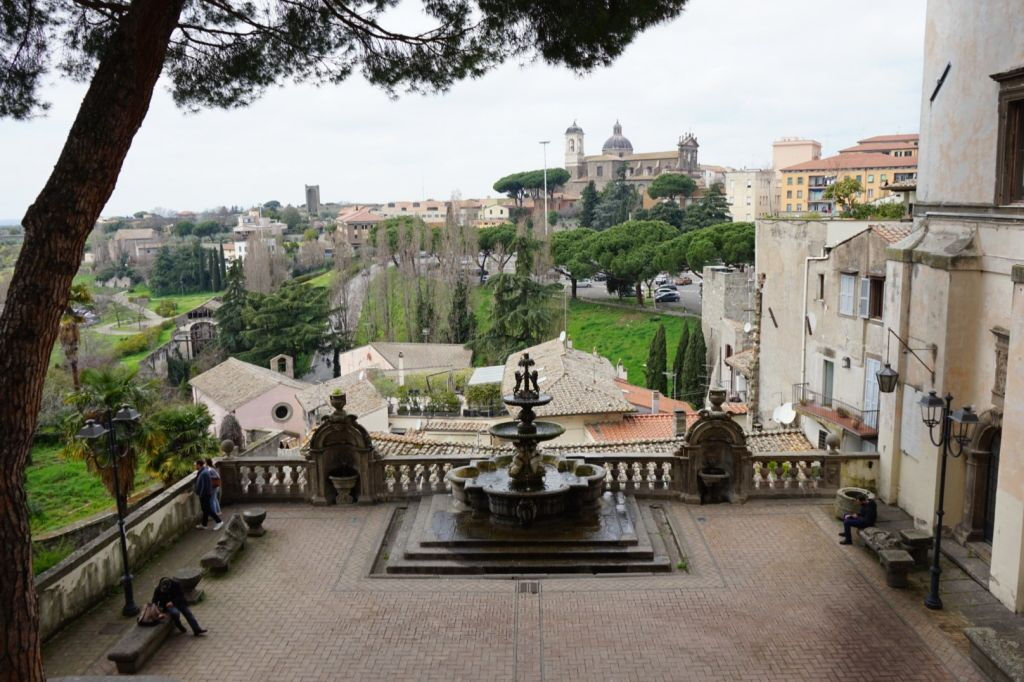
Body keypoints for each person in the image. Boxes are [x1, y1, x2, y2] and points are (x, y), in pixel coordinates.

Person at [195, 459, 223, 531]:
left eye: (195, 465)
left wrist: (201, 494)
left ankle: (219, 521)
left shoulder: (204, 473)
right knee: (205, 510)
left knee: (208, 509)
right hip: (204, 494)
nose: (195, 466)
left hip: (205, 495)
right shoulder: (203, 472)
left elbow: (206, 486)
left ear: (199, 465)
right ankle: (204, 524)